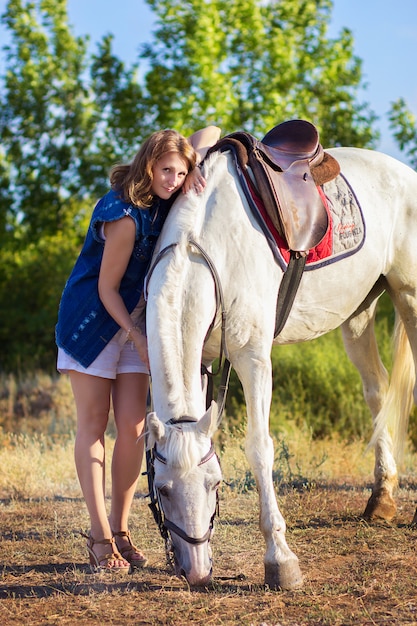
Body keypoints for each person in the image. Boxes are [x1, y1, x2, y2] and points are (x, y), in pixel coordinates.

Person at [56, 125, 221, 573]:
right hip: (94, 320)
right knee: (93, 424)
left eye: (179, 172)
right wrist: (136, 335)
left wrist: (195, 165)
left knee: (132, 430)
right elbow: (108, 289)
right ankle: (99, 537)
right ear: (148, 165)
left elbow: (210, 130)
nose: (172, 179)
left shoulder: (170, 192)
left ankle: (121, 528)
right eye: (165, 170)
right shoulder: (124, 215)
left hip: (135, 323)